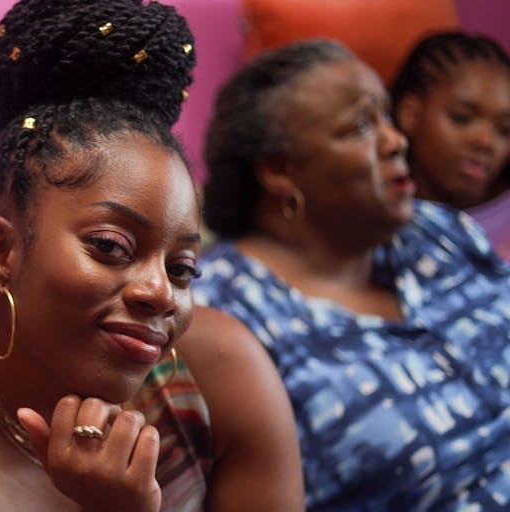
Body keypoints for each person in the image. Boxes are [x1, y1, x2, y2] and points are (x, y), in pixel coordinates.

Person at [0, 1, 303, 511]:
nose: (161, 292)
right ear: (2, 250)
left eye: (180, 269)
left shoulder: (221, 374)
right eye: (112, 247)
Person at [193, 37, 510, 510]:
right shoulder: (224, 314)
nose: (396, 140)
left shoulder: (440, 231)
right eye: (361, 126)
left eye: (385, 117)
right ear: (280, 170)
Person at [391, 31, 510, 258]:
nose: (486, 142)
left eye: (505, 130)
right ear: (410, 114)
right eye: (462, 118)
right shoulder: (369, 223)